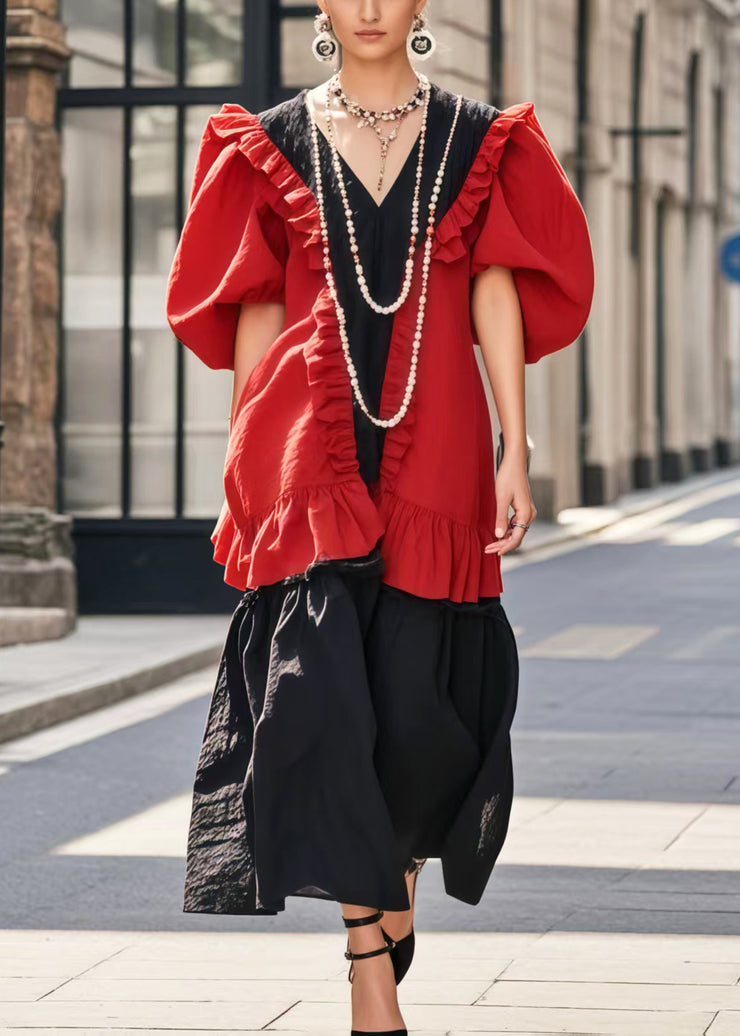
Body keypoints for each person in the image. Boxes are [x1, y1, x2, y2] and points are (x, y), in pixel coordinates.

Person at [165, 2, 594, 1033]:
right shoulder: (263, 143)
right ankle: (366, 965)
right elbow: (256, 308)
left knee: (414, 714)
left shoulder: (475, 139)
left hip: (435, 437)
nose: (364, 8)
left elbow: (493, 286)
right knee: (317, 704)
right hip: (304, 446)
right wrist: (244, 465)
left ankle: (391, 861)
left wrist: (513, 445)